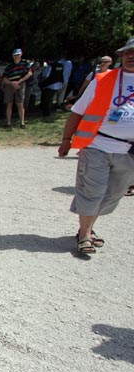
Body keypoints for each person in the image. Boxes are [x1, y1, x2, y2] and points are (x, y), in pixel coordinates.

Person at [57, 36, 134, 255]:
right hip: (97, 144)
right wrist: (66, 140)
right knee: (92, 191)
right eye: (127, 53)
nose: (131, 57)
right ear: (121, 56)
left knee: (113, 194)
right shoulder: (102, 80)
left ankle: (87, 227)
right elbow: (77, 111)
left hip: (129, 152)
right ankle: (84, 235)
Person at [2, 48, 33, 128]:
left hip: (20, 84)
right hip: (10, 85)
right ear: (13, 56)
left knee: (20, 104)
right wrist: (11, 83)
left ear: (21, 55)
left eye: (18, 55)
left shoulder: (25, 64)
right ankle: (8, 122)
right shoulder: (9, 66)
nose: (17, 56)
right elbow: (4, 78)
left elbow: (29, 73)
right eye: (15, 55)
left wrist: (19, 81)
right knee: (9, 104)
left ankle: (22, 123)